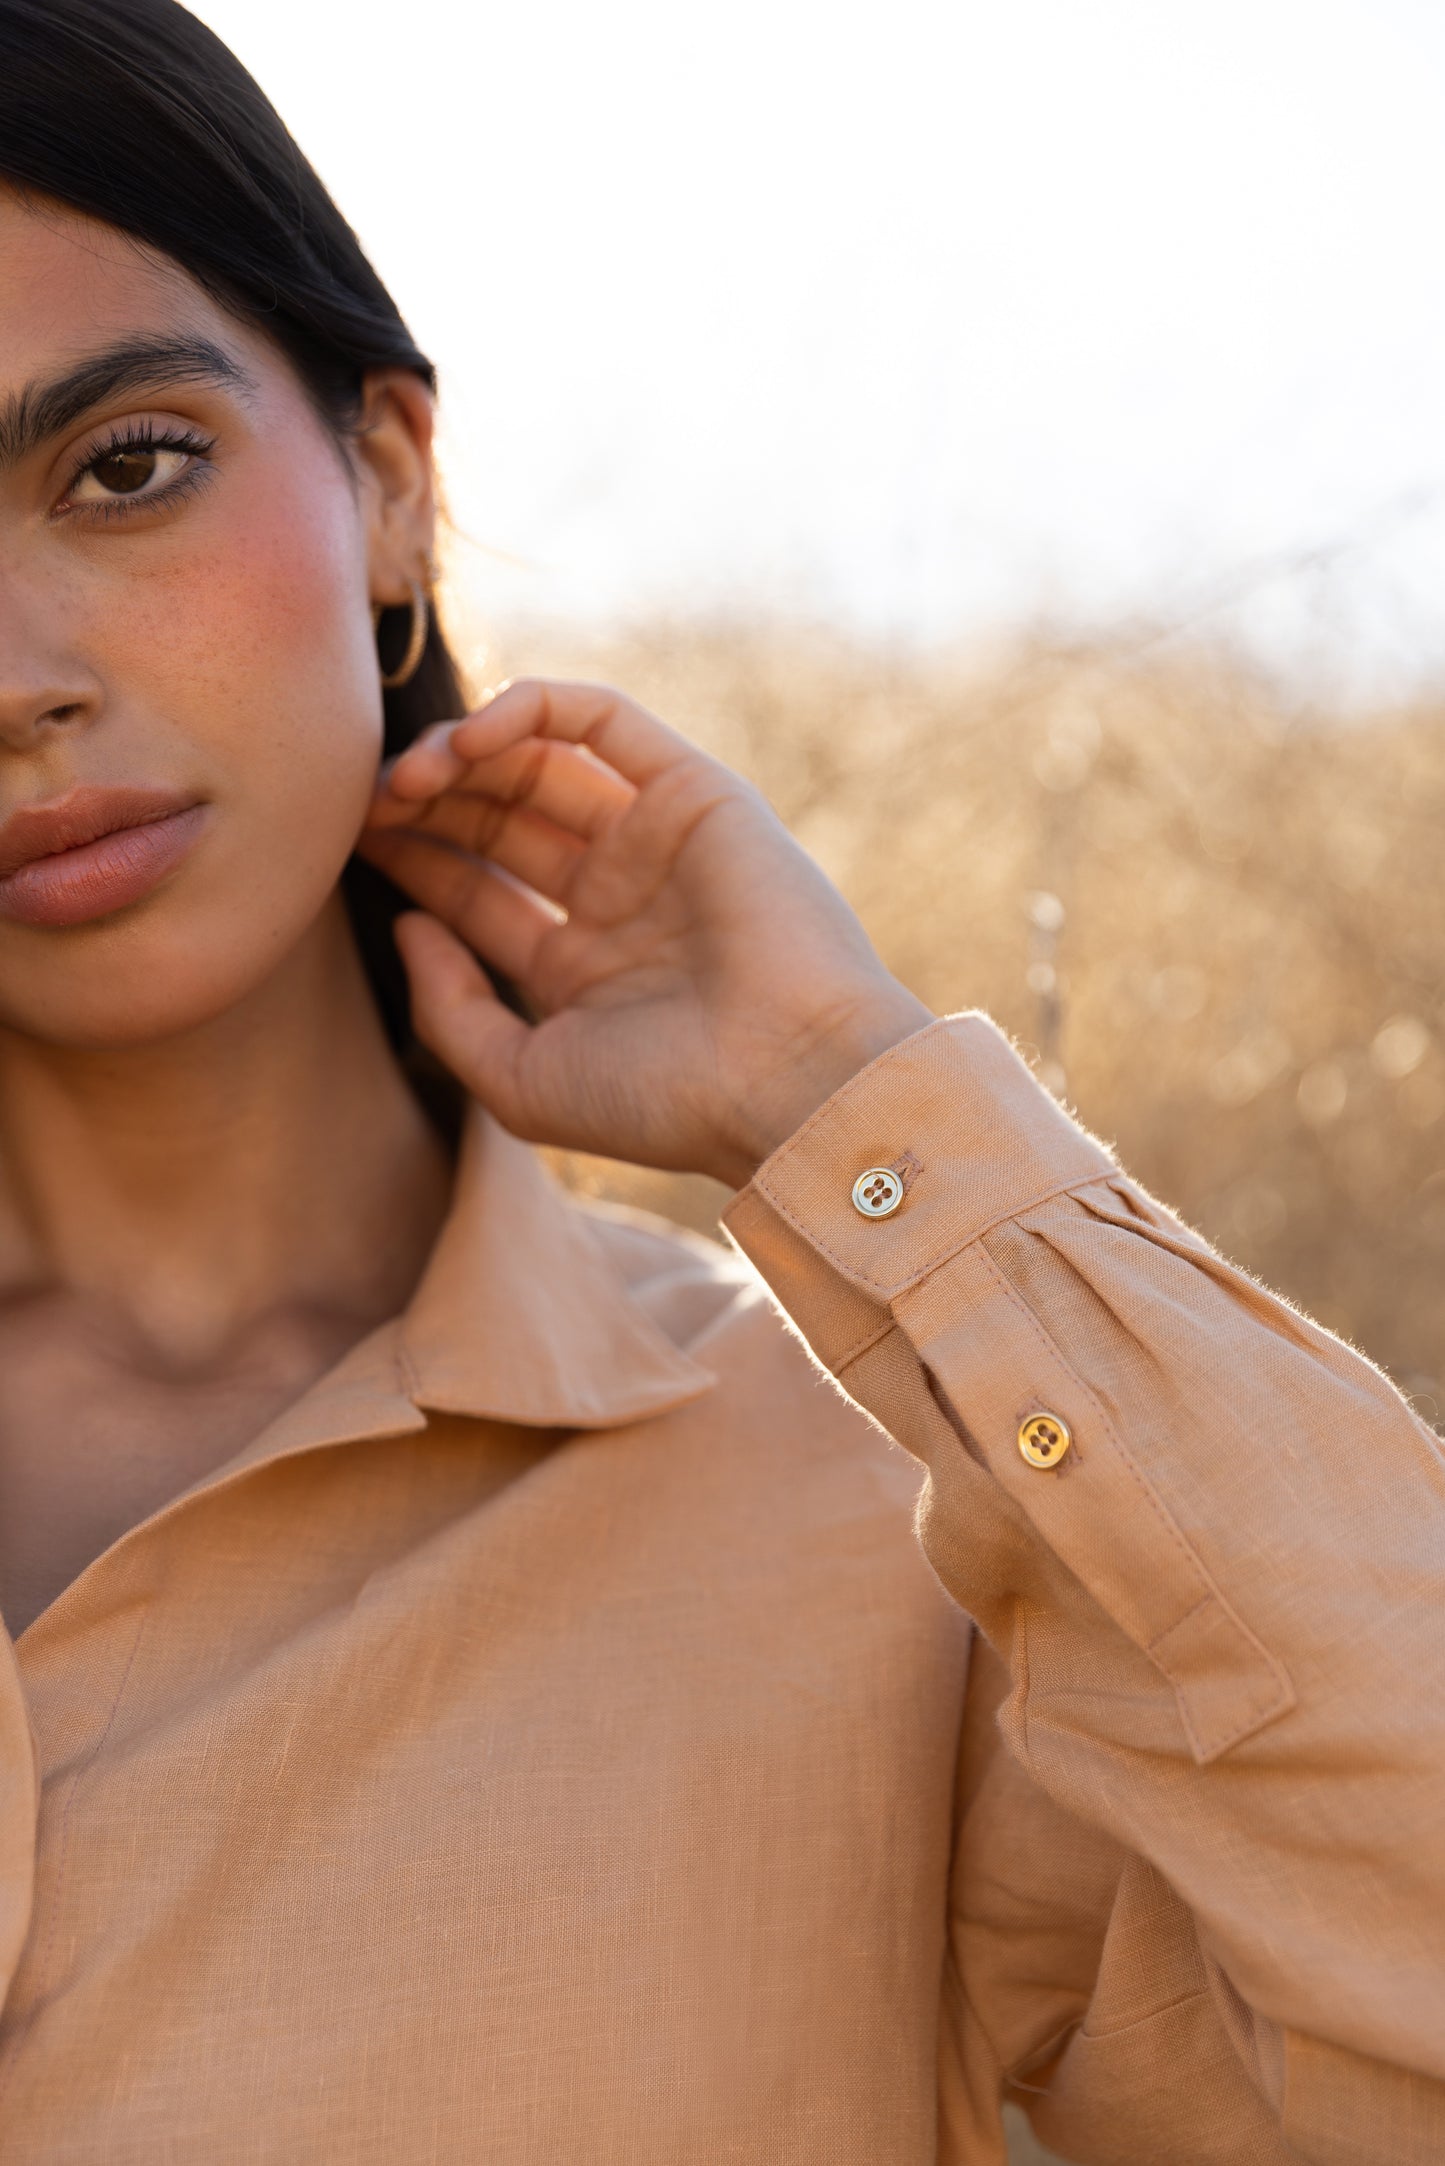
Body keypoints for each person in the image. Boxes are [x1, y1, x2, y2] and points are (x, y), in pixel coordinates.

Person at [0, 2, 1437, 2160]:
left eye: (124, 468)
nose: (17, 678)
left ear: (389, 484)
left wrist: (853, 1104)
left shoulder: (891, 1537)